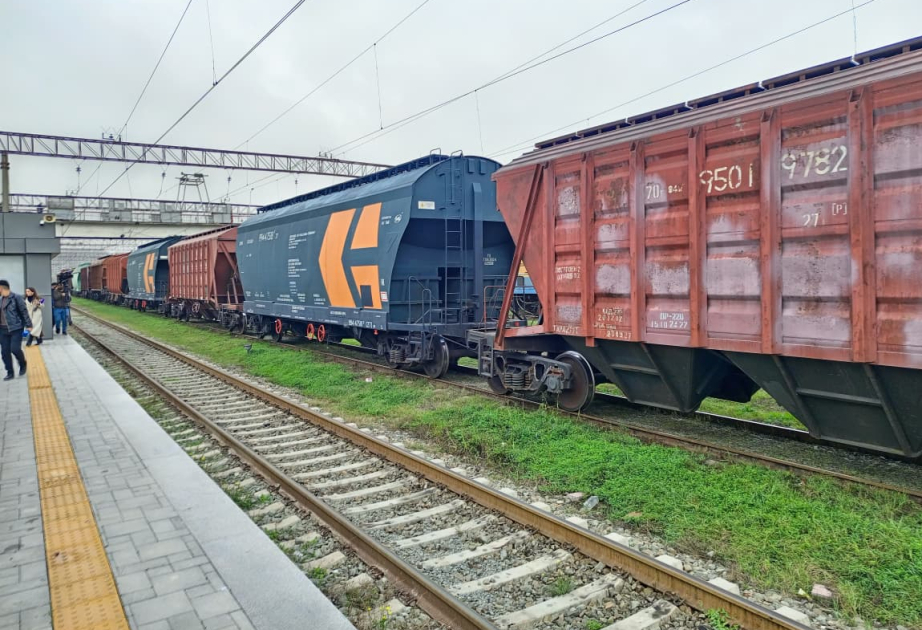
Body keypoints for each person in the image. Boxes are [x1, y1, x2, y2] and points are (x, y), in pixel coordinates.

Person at [0, 279, 32, 380]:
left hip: (16, 328)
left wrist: (29, 325)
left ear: (1, 288)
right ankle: (10, 372)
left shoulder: (16, 297)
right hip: (3, 330)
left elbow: (24, 312)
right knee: (5, 352)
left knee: (15, 349)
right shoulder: (0, 299)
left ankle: (22, 364)